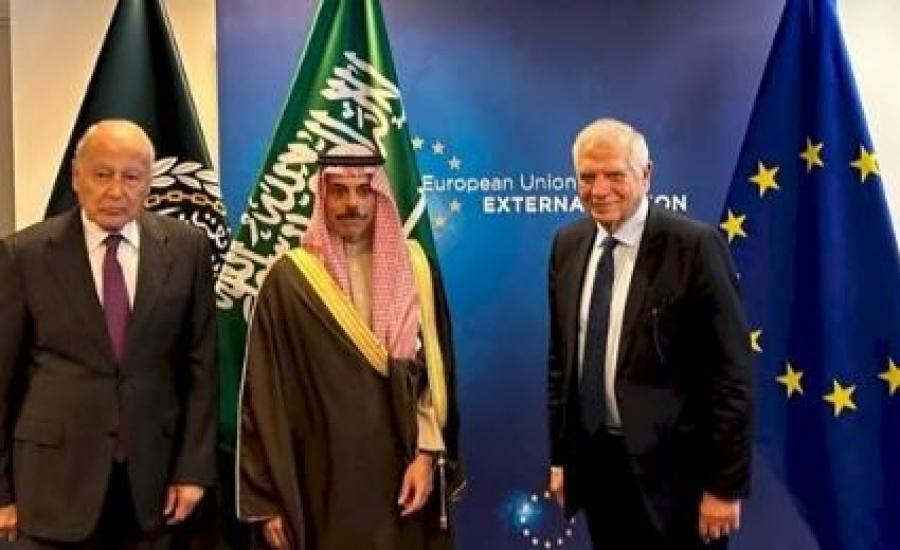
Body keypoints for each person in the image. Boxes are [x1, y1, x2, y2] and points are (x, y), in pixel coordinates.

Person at [0, 120, 218, 548]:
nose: (116, 191)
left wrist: (193, 470)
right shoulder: (24, 255)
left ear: (149, 183)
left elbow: (202, 367)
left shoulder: (187, 248)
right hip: (52, 485)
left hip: (152, 486)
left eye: (131, 177)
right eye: (102, 175)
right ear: (76, 177)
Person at [236, 144, 462, 549]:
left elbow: (433, 377)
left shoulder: (416, 269)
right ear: (322, 196)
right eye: (339, 191)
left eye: (363, 191)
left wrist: (426, 457)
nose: (352, 204)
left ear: (380, 197)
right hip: (320, 478)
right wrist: (267, 499)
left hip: (401, 473)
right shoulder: (289, 281)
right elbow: (263, 395)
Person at [546, 118, 753, 549]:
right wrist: (563, 458)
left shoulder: (694, 246)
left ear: (646, 175)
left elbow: (731, 374)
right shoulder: (567, 243)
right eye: (587, 177)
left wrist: (725, 485)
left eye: (614, 175)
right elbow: (561, 362)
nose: (599, 189)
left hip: (677, 481)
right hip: (598, 468)